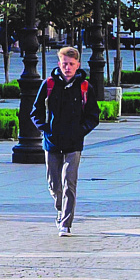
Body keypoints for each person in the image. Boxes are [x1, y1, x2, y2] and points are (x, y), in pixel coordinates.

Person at [30, 46, 99, 236]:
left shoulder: (85, 87)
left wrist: (81, 131)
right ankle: (60, 208)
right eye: (64, 64)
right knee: (54, 184)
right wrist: (45, 129)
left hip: (74, 143)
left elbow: (93, 116)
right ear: (59, 64)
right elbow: (35, 111)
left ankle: (66, 223)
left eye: (71, 64)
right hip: (52, 141)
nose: (67, 67)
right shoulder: (49, 84)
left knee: (70, 181)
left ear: (77, 65)